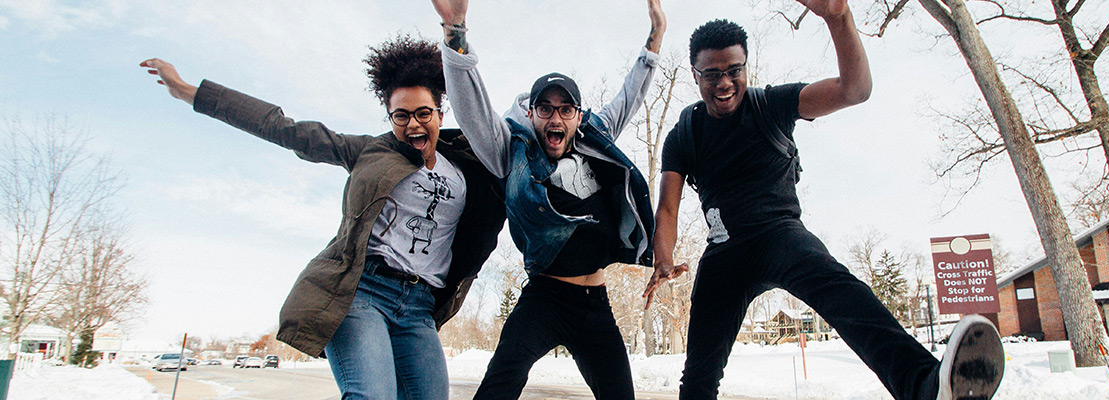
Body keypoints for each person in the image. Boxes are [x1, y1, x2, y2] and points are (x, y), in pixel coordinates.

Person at [643, 1, 1006, 399]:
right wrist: (663, 256)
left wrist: (838, 17)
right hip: (725, 250)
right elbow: (668, 207)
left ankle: (922, 384)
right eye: (712, 74)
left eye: (734, 70)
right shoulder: (685, 133)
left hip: (780, 235)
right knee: (699, 373)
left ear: (746, 67)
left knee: (842, 291)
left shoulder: (771, 105)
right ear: (696, 76)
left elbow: (855, 90)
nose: (725, 83)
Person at [139, 35, 506, 400]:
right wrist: (190, 92)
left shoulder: (469, 166)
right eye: (401, 115)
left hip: (420, 306)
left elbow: (518, 154)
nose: (413, 124)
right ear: (390, 118)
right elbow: (281, 126)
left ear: (440, 114)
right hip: (360, 294)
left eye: (423, 113)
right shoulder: (369, 151)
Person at [431, 0, 665, 398]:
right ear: (532, 114)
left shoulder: (596, 136)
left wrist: (655, 38)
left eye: (565, 110)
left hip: (596, 303)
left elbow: (630, 96)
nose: (555, 119)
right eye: (545, 109)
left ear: (577, 115)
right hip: (545, 297)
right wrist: (456, 34)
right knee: (501, 380)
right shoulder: (512, 150)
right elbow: (474, 111)